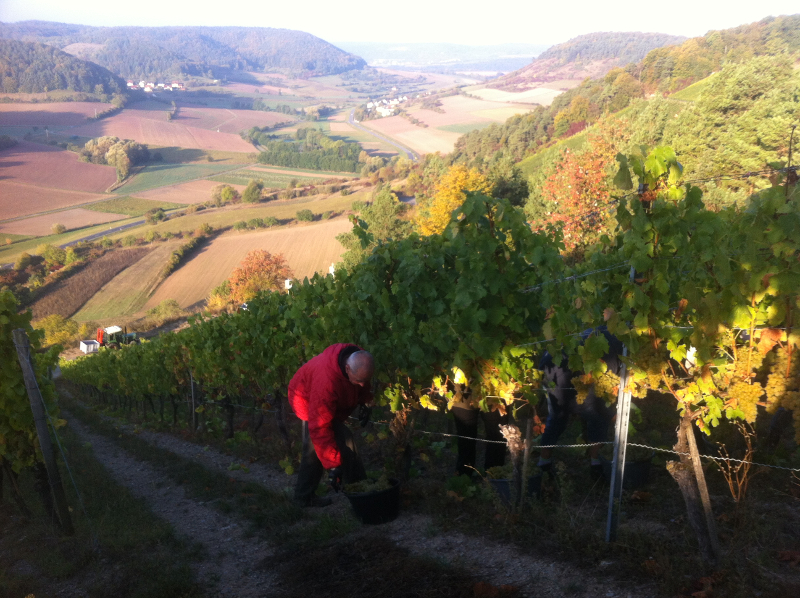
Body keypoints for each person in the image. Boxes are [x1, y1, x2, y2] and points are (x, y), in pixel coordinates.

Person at [288, 343, 374, 507]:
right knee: (327, 443)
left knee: (322, 447)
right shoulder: (326, 382)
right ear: (347, 369)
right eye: (359, 381)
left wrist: (365, 402)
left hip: (328, 401)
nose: (362, 385)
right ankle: (360, 489)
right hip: (307, 401)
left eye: (365, 380)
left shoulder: (359, 359)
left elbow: (363, 383)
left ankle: (304, 497)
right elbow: (319, 427)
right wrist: (333, 466)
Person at [537, 327, 624, 480]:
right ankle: (596, 464)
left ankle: (544, 463)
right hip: (562, 365)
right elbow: (613, 376)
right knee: (598, 414)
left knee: (558, 415)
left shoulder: (598, 330)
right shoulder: (618, 344)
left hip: (556, 362)